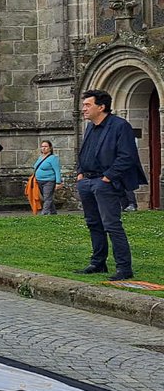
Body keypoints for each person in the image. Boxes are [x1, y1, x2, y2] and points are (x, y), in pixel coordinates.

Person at [74, 89, 147, 281]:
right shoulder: (90, 127)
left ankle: (124, 268)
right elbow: (84, 152)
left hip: (105, 183)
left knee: (112, 225)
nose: (84, 109)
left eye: (88, 105)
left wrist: (108, 177)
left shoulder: (120, 126)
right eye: (84, 105)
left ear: (102, 106)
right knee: (93, 224)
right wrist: (80, 173)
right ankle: (98, 263)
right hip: (87, 181)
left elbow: (127, 156)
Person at [33, 140, 62, 215]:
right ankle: (53, 212)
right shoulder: (41, 157)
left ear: (50, 148)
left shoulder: (53, 158)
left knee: (47, 198)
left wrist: (58, 182)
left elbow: (57, 170)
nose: (43, 148)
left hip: (49, 181)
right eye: (42, 146)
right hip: (39, 181)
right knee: (47, 198)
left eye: (45, 146)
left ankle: (44, 213)